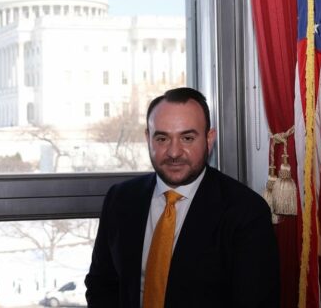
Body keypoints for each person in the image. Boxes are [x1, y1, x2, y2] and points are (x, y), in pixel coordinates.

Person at [84, 87, 279, 307]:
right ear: (148, 138)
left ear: (209, 139)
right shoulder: (120, 199)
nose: (174, 152)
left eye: (187, 138)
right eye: (162, 138)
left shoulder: (246, 212)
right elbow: (101, 285)